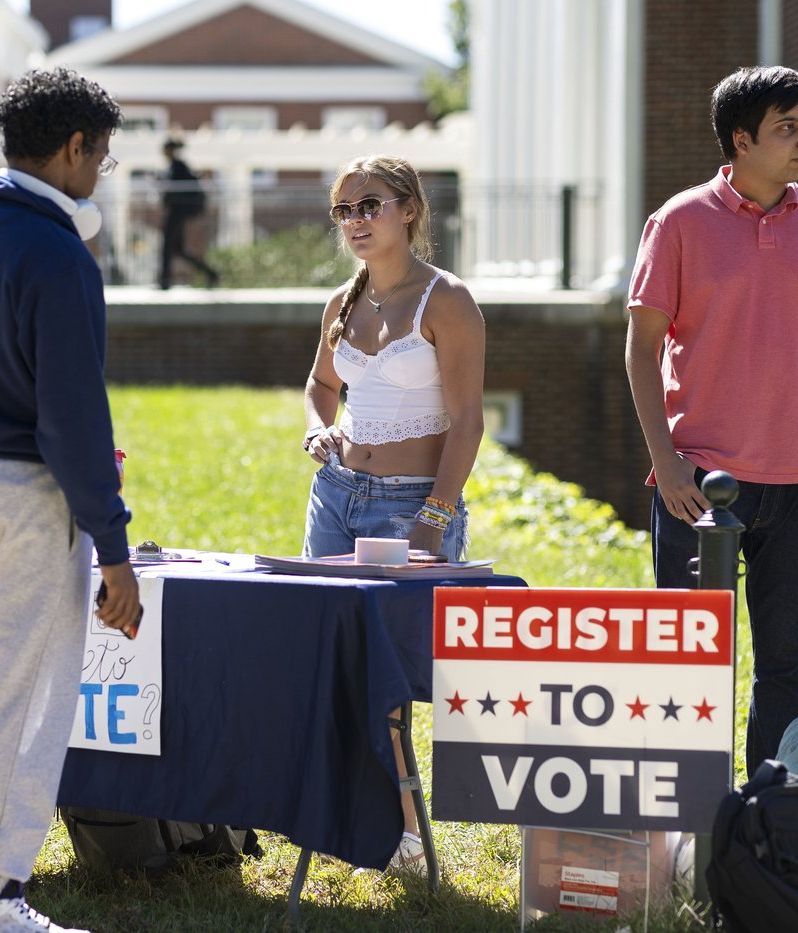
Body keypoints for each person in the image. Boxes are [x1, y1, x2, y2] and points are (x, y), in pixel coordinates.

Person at [0, 67, 141, 933]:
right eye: (102, 157)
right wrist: (114, 549)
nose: (99, 175)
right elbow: (75, 418)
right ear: (75, 146)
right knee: (26, 695)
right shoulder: (57, 250)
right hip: (26, 489)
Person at [625, 65, 798, 780]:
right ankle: (688, 822)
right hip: (702, 485)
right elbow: (641, 349)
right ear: (741, 139)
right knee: (685, 664)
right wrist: (668, 462)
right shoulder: (677, 223)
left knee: (789, 670)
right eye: (785, 129)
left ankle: (766, 826)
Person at [301, 154, 485, 873]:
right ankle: (346, 815)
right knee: (332, 661)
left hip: (411, 505)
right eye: (343, 210)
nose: (354, 221)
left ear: (409, 208)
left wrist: (435, 515)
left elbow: (468, 422)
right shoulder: (342, 302)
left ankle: (405, 829)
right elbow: (320, 385)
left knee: (390, 674)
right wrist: (318, 427)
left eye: (368, 205)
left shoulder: (448, 300)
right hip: (336, 498)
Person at [158, 138, 218, 289]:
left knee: (167, 245)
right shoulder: (175, 167)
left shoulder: (179, 166)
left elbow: (177, 187)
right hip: (177, 210)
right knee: (178, 249)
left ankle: (165, 281)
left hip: (179, 211)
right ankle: (210, 273)